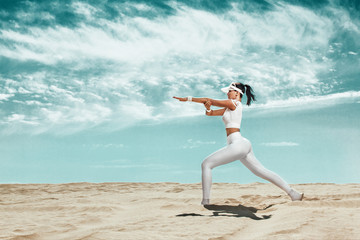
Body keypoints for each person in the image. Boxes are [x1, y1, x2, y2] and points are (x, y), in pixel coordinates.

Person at [173, 82, 303, 205]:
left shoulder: (234, 103)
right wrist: (207, 108)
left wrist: (188, 99)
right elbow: (210, 113)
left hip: (237, 143)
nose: (228, 93)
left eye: (230, 91)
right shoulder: (228, 108)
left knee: (206, 164)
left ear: (237, 93)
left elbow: (209, 99)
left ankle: (205, 201)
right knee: (261, 171)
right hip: (240, 143)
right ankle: (293, 194)